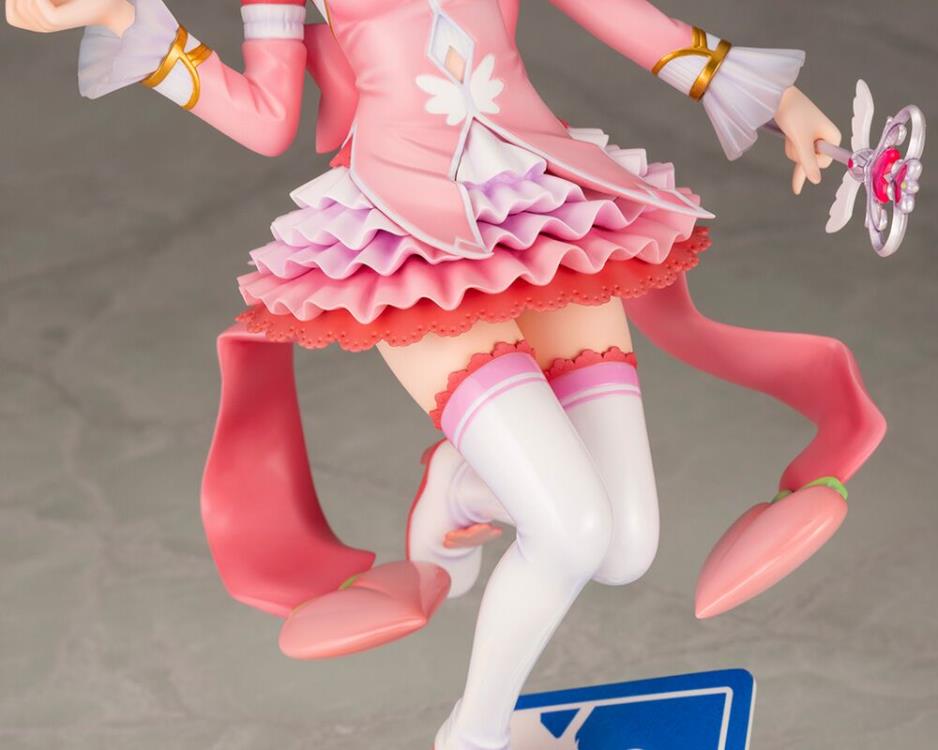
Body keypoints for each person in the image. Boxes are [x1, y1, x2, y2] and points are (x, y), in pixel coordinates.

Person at [6, 1, 886, 748]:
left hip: (544, 210)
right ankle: (474, 734)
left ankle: (462, 486)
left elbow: (615, 12)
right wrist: (122, 18)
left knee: (624, 550)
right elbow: (268, 117)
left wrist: (776, 99)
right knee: (573, 532)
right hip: (406, 237)